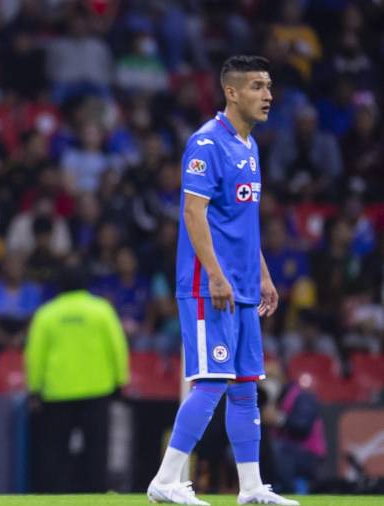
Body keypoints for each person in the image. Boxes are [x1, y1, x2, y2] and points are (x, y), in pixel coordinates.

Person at [147, 56, 298, 505]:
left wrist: (264, 276)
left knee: (246, 389)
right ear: (231, 92)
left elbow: (241, 223)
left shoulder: (249, 146)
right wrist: (215, 274)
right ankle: (166, 480)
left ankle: (250, 488)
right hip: (209, 285)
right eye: (256, 86)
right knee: (211, 383)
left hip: (244, 287)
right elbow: (194, 213)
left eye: (268, 86)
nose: (267, 95)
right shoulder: (206, 144)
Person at [25, 266, 129, 493]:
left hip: (57, 394)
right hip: (97, 390)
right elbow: (118, 346)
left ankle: (57, 495)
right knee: (96, 451)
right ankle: (94, 494)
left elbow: (35, 354)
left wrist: (34, 389)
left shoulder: (47, 314)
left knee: (56, 452)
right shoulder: (101, 310)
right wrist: (120, 381)